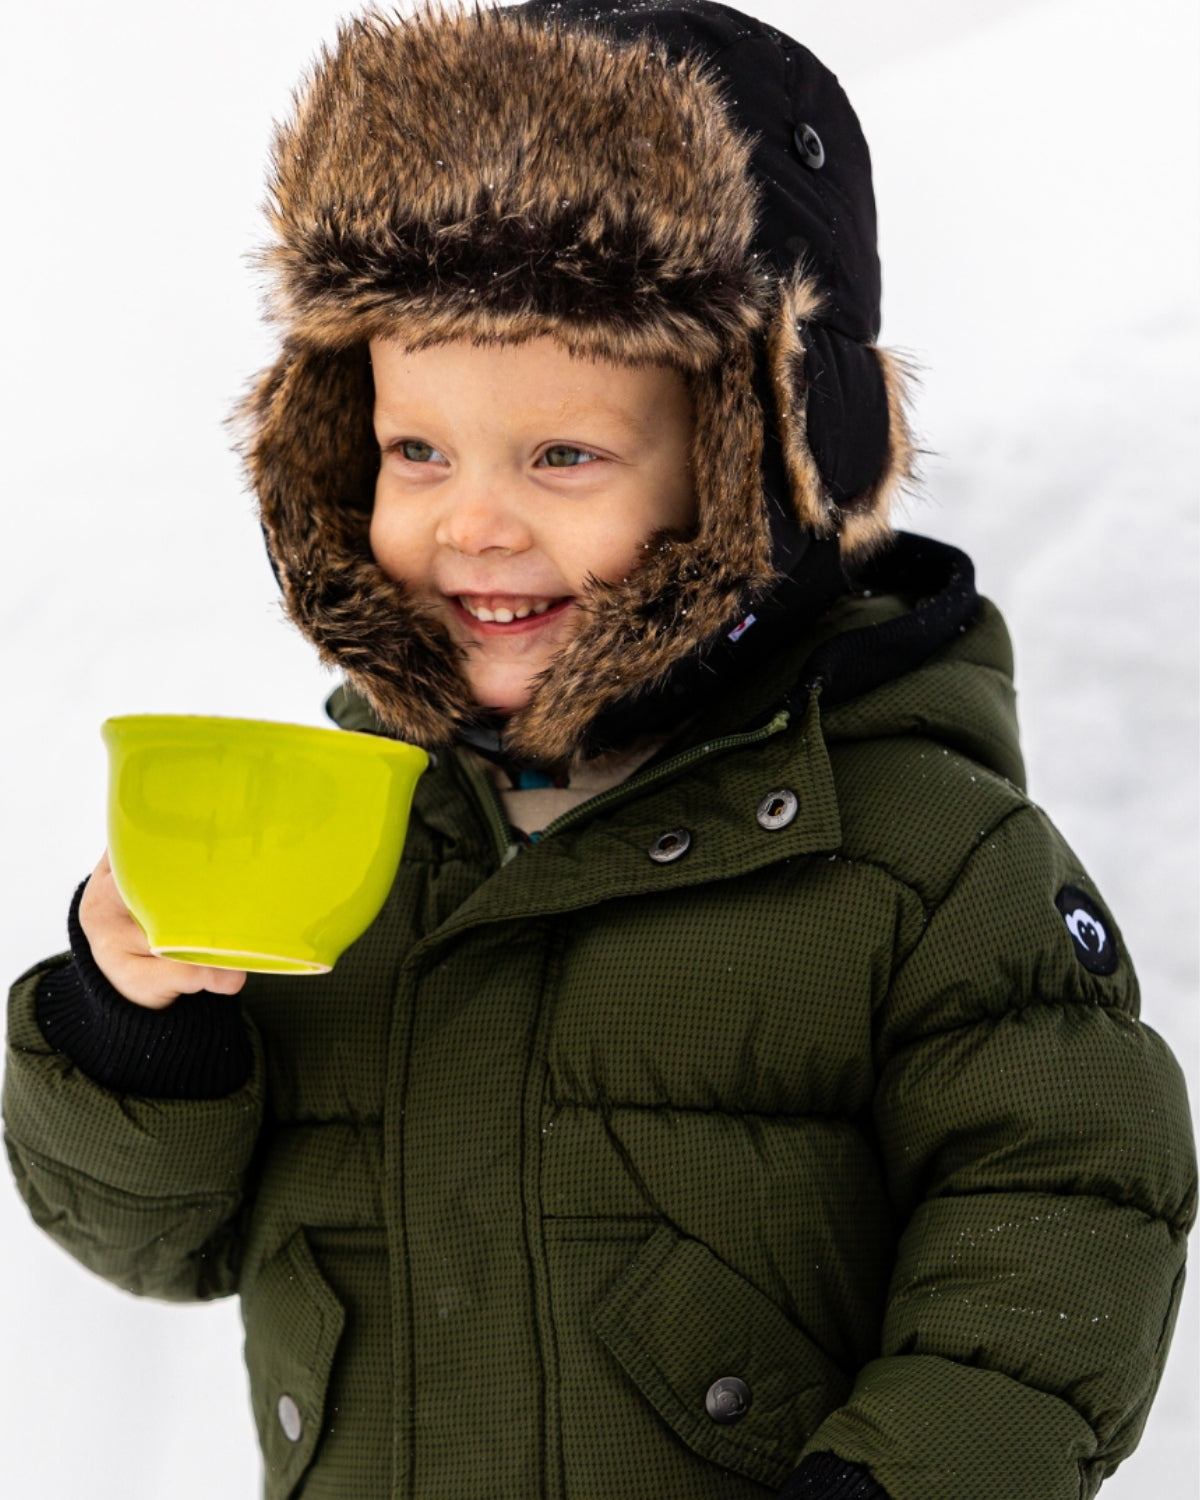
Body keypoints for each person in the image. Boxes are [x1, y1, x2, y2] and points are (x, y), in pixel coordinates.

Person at [4, 3, 1195, 1498]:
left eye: (562, 454)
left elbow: (1071, 1208)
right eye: (416, 450)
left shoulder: (914, 849)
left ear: (759, 460)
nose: (475, 523)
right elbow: (163, 1239)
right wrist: (142, 1028)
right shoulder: (354, 833)